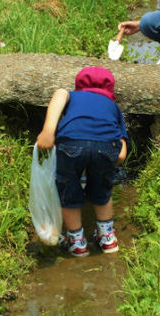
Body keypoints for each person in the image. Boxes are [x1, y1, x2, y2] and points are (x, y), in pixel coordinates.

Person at [37, 67, 128, 257]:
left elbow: (59, 95)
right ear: (111, 92)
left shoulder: (71, 96)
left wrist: (48, 131)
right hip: (106, 145)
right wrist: (114, 160)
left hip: (72, 142)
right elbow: (121, 150)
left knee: (68, 188)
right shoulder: (113, 107)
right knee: (102, 190)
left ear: (78, 86)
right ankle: (107, 238)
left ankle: (77, 241)